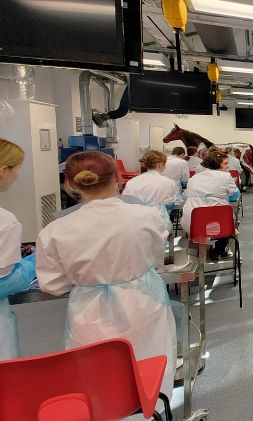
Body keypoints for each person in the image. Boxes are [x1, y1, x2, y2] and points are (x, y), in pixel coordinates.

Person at [35, 151, 177, 400]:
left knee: (97, 378)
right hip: (143, 304)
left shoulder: (54, 231)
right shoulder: (146, 216)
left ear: (69, 184)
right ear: (119, 178)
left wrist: (90, 277)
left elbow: (53, 284)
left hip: (89, 313)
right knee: (149, 367)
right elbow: (156, 255)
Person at [0, 139, 35, 360]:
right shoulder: (5, 221)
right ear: (4, 170)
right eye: (19, 168)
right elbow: (5, 282)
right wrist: (33, 263)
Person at [181, 151, 240, 261]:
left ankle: (199, 250)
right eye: (226, 163)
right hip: (217, 225)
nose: (229, 166)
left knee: (204, 226)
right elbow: (235, 195)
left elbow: (186, 196)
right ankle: (218, 251)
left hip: (191, 222)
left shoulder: (194, 178)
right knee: (227, 223)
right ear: (217, 165)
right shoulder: (226, 177)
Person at [122, 150, 178, 231]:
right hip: (158, 224)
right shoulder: (168, 182)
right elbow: (169, 204)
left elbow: (125, 202)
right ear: (160, 164)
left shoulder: (132, 182)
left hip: (135, 224)